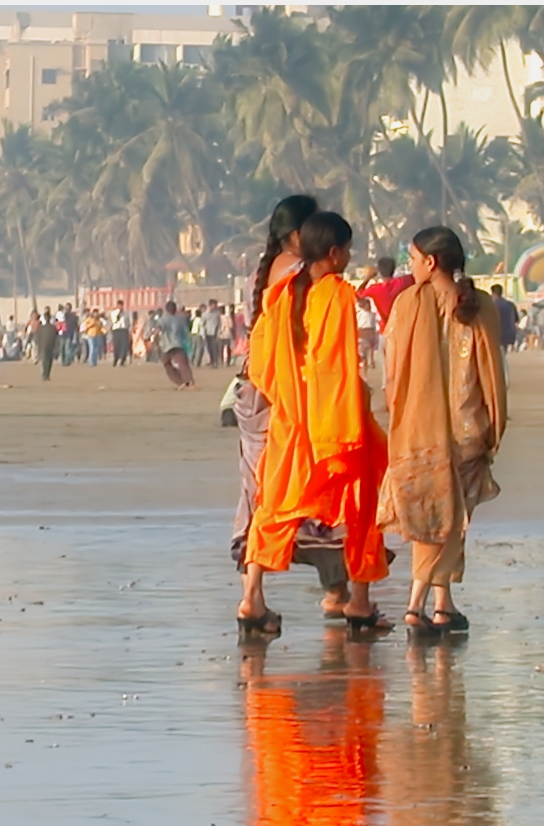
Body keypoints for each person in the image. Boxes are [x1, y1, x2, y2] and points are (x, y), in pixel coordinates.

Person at [240, 210, 391, 640]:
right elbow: (338, 366)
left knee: (274, 509)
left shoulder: (280, 294)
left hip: (291, 421)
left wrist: (291, 399)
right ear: (335, 253)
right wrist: (345, 419)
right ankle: (358, 601)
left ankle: (252, 597)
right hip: (334, 423)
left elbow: (263, 367)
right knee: (363, 509)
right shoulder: (338, 296)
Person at [379, 226, 507, 638]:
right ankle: (436, 605)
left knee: (435, 515)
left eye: (413, 260)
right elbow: (492, 373)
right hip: (469, 427)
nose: (410, 267)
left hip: (420, 427)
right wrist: (495, 423)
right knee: (449, 517)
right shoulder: (479, 304)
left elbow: (392, 371)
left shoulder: (406, 304)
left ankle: (421, 605)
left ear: (430, 263)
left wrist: (396, 413)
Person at [357, 255, 415, 336]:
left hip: (385, 330)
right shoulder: (401, 283)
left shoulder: (376, 289)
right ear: (394, 269)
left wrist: (369, 276)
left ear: (379, 271)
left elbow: (358, 294)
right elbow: (414, 277)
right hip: (402, 328)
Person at [156, 300, 194, 388]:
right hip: (178, 344)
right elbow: (185, 332)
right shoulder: (180, 319)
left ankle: (179, 381)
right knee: (183, 364)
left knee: (166, 364)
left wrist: (153, 336)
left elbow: (159, 328)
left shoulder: (163, 319)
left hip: (167, 345)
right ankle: (189, 381)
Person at [491, 284, 518, 355]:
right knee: (503, 354)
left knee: (496, 355)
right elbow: (516, 320)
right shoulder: (510, 305)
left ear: (493, 293)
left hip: (495, 334)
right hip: (508, 334)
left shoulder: (491, 305)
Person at [34, 307, 59, 380]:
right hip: (49, 345)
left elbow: (37, 337)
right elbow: (56, 337)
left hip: (44, 345)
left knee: (45, 360)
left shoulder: (41, 328)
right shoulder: (52, 327)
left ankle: (45, 374)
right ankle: (46, 374)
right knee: (48, 360)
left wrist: (38, 345)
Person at [110, 300, 131, 366]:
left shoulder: (126, 313)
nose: (120, 307)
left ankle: (122, 360)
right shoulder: (113, 313)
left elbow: (128, 322)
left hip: (124, 330)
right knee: (117, 345)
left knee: (124, 346)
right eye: (119, 305)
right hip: (116, 330)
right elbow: (114, 321)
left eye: (121, 306)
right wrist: (118, 313)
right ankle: (115, 359)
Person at [202, 299, 223, 368]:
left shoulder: (217, 314)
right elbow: (202, 324)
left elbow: (219, 324)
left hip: (215, 333)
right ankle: (211, 361)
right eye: (214, 305)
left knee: (215, 348)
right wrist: (203, 334)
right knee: (209, 348)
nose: (215, 307)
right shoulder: (205, 314)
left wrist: (219, 333)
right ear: (210, 305)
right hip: (207, 333)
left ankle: (215, 362)